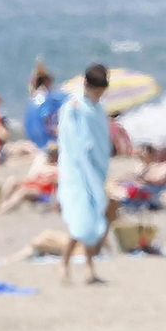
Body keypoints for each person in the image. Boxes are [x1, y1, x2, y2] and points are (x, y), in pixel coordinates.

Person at [56, 64, 113, 285]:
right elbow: (70, 143)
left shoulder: (99, 108)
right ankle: (64, 263)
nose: (99, 96)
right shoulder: (74, 107)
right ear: (87, 86)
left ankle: (89, 269)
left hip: (97, 170)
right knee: (81, 220)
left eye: (102, 93)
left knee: (93, 217)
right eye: (96, 91)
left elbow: (101, 139)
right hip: (77, 172)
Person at [23, 64, 68, 149]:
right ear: (47, 81)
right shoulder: (50, 99)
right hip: (47, 144)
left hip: (34, 144)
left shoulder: (31, 102)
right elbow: (47, 122)